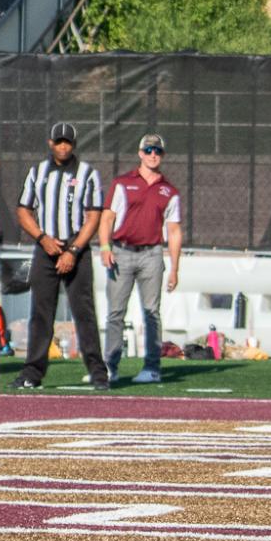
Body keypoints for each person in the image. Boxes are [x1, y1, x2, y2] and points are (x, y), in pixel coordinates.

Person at [13, 123, 107, 390]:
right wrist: (42, 238)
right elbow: (23, 210)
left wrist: (74, 250)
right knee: (41, 313)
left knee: (84, 312)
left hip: (76, 247)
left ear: (74, 144)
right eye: (59, 142)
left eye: (67, 142)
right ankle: (32, 372)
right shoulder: (38, 172)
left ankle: (98, 373)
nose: (63, 146)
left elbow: (93, 216)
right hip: (46, 248)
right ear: (50, 143)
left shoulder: (87, 173)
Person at [98, 133, 184, 385]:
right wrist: (105, 246)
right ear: (140, 153)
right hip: (122, 252)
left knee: (151, 313)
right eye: (148, 150)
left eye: (157, 150)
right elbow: (107, 217)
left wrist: (175, 268)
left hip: (152, 254)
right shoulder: (122, 183)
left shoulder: (169, 191)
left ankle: (152, 368)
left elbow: (174, 230)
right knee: (115, 312)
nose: (153, 154)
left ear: (163, 155)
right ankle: (110, 366)